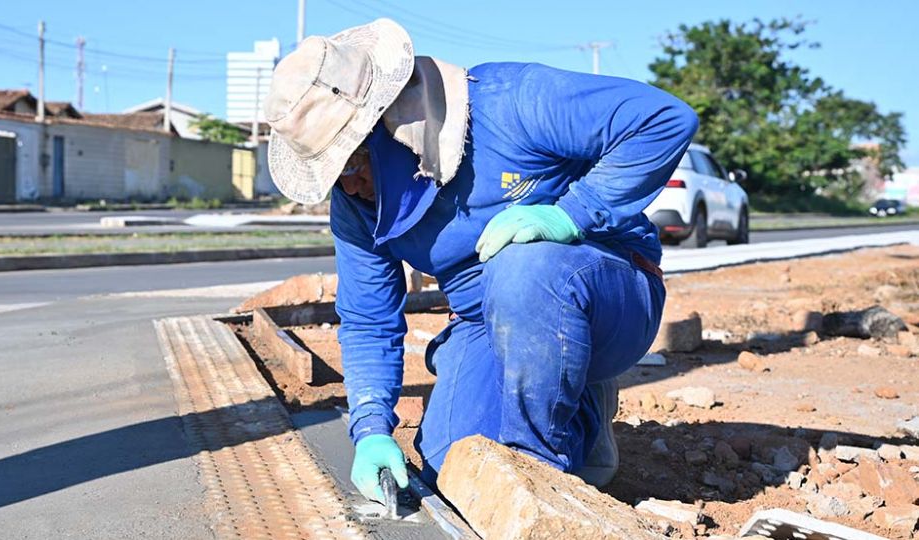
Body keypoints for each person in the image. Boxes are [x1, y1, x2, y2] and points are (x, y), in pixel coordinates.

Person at [261, 19, 697, 503]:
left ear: (390, 120)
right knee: (456, 462)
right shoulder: (358, 203)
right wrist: (370, 428)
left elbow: (663, 120)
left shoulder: (510, 103)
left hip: (610, 297)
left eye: (354, 162)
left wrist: (569, 215)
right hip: (487, 320)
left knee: (524, 269)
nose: (349, 186)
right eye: (334, 174)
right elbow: (368, 320)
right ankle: (578, 416)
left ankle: (541, 481)